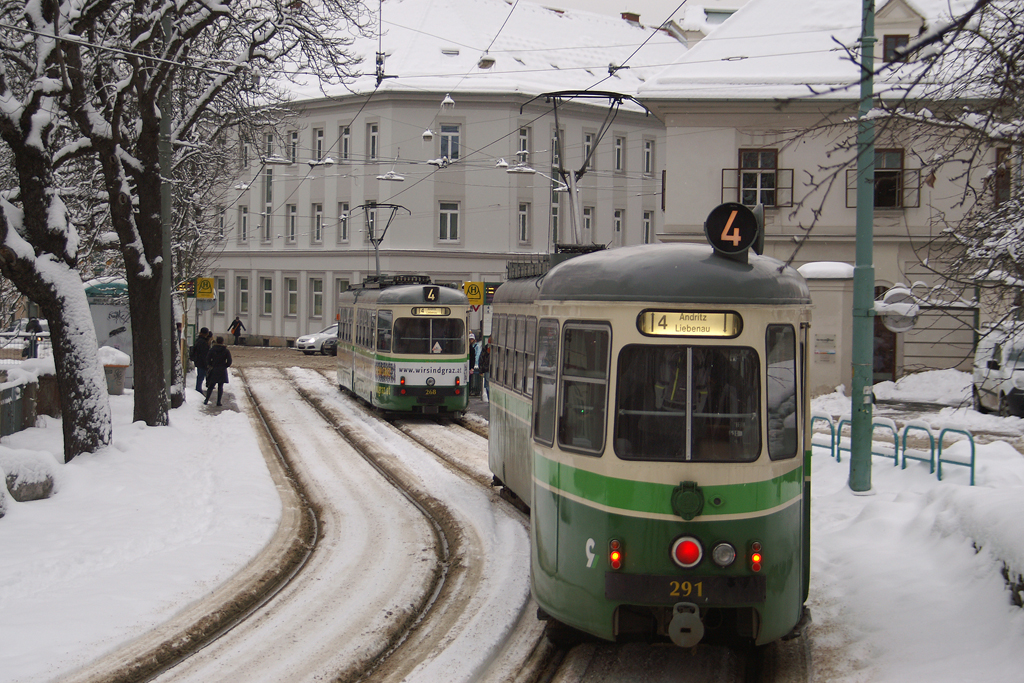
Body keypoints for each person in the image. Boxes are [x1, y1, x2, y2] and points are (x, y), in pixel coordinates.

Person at [204, 336, 233, 406]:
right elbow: (229, 361)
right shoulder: (226, 350)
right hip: (222, 369)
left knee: (211, 386)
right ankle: (219, 401)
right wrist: (225, 365)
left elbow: (207, 359)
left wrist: (211, 364)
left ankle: (206, 399)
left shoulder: (212, 349)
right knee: (220, 386)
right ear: (222, 342)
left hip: (214, 369)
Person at [190, 327, 211, 394]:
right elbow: (204, 354)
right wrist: (206, 363)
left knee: (200, 375)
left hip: (198, 361)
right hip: (201, 361)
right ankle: (198, 389)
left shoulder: (198, 340)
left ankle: (198, 388)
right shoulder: (203, 342)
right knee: (201, 376)